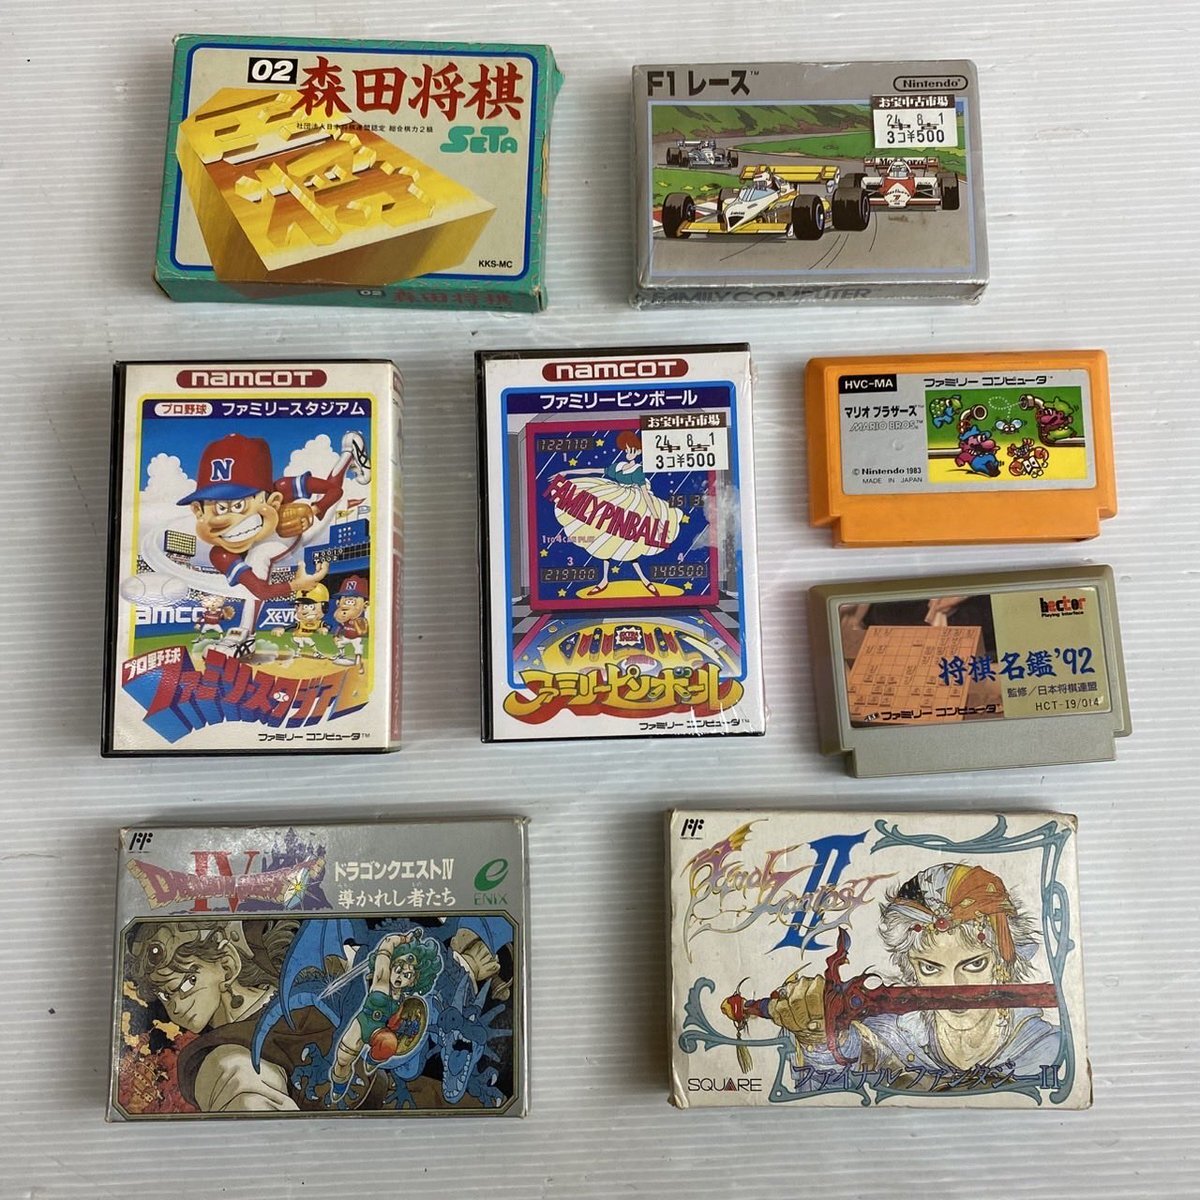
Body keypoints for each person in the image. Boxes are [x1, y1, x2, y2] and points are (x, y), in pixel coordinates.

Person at [739, 863, 1060, 1088]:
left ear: (1004, 961)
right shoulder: (891, 1034)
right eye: (931, 968)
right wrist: (818, 1037)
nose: (954, 988)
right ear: (912, 971)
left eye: (973, 964)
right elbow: (833, 1078)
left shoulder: (1048, 1047)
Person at [128, 919, 327, 1112]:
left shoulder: (227, 1064)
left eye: (188, 983)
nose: (176, 1008)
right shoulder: (299, 1002)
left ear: (227, 966)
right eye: (165, 995)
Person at [545, 431, 681, 598]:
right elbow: (593, 470)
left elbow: (646, 496)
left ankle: (645, 580)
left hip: (633, 504)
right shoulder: (618, 466)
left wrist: (657, 520)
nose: (629, 453)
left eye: (633, 450)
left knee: (631, 543)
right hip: (613, 498)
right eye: (627, 450)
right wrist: (567, 472)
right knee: (605, 540)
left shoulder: (638, 471)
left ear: (639, 451)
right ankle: (604, 580)